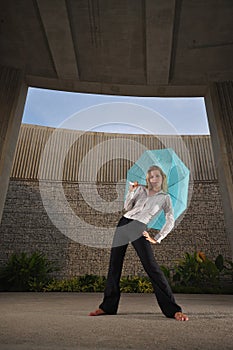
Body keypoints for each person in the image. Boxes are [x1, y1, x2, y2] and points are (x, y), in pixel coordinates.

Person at [89, 165, 188, 321]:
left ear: (162, 178)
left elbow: (170, 219)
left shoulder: (164, 197)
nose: (154, 179)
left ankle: (173, 310)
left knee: (152, 267)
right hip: (123, 223)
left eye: (157, 176)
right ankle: (107, 307)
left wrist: (158, 237)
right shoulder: (140, 190)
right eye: (151, 177)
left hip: (139, 227)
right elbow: (127, 207)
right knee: (114, 265)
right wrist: (131, 191)